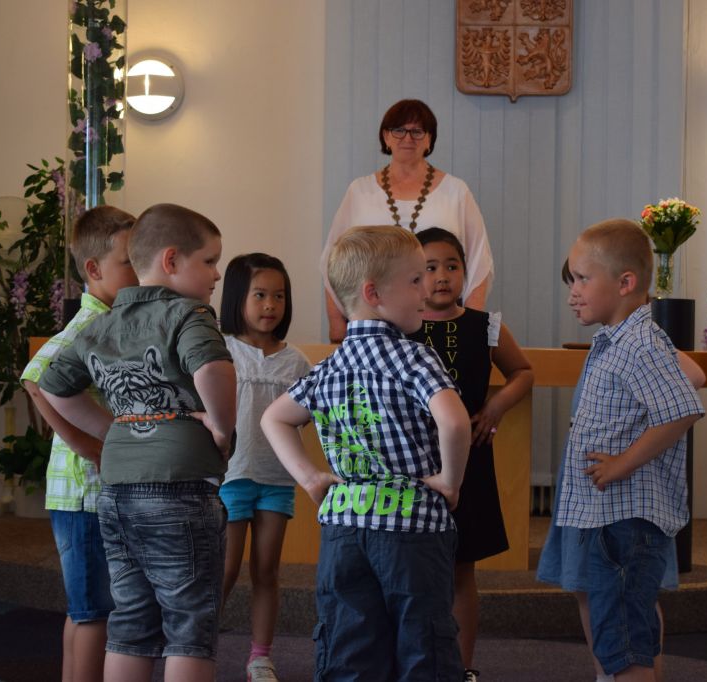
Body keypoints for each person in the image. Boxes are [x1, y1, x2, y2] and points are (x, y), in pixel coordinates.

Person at [37, 203, 236, 682]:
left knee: (131, 621)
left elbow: (52, 385)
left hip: (117, 492)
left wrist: (113, 429)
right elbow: (213, 369)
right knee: (189, 623)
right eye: (209, 261)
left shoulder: (102, 323)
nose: (216, 274)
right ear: (171, 260)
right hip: (179, 486)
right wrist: (220, 427)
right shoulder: (189, 313)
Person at [262, 226, 470, 680]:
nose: (426, 290)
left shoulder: (329, 367)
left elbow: (274, 419)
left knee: (349, 646)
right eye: (414, 279)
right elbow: (455, 422)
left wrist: (312, 478)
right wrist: (450, 481)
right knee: (423, 644)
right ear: (373, 293)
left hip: (344, 527)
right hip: (413, 527)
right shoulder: (415, 358)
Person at [538, 258, 706, 682]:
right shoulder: (616, 340)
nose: (573, 293)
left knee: (626, 626)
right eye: (571, 281)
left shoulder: (640, 343)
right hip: (598, 504)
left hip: (623, 505)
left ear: (625, 283)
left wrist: (623, 459)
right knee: (612, 614)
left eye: (582, 279)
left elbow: (685, 400)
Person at [405, 227, 534, 681]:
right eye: (429, 268)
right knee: (412, 568)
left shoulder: (486, 326)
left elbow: (523, 372)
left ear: (465, 271)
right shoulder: (402, 325)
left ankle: (461, 668)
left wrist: (496, 406)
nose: (442, 276)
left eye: (452, 266)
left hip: (470, 462)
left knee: (462, 569)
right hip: (414, 463)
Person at [21, 206, 139, 682]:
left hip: (80, 494)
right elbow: (35, 378)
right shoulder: (91, 323)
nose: (139, 272)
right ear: (94, 269)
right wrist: (85, 443)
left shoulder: (107, 318)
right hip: (84, 492)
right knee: (95, 613)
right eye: (129, 263)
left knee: (85, 609)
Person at [321, 98, 494, 342]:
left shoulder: (456, 191)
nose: (408, 138)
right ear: (386, 137)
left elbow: (479, 263)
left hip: (440, 322)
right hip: (371, 321)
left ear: (430, 139)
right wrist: (337, 325)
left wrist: (469, 326)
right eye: (399, 130)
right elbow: (333, 261)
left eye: (417, 131)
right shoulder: (359, 191)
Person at [218, 253, 312, 682]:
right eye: (259, 295)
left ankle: (260, 657)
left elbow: (307, 415)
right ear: (237, 297)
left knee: (267, 572)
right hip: (231, 476)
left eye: (279, 296)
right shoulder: (221, 350)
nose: (270, 305)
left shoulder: (296, 362)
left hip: (276, 479)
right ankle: (196, 647)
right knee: (224, 571)